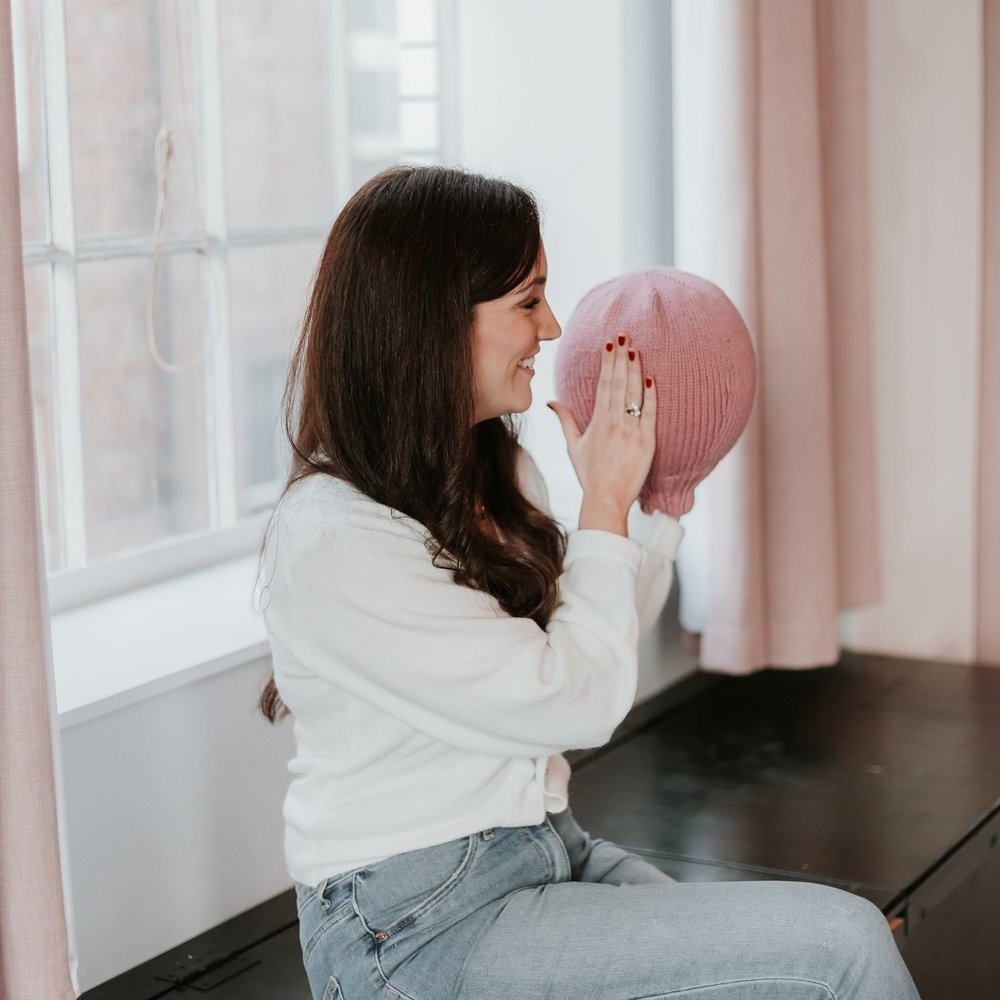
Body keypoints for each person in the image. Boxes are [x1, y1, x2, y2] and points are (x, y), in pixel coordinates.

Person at [255, 165, 921, 1000]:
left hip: (541, 848)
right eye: (528, 301)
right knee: (845, 946)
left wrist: (653, 504)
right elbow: (577, 702)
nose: (554, 327)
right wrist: (604, 500)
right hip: (417, 926)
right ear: (432, 322)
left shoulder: (495, 472)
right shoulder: (332, 542)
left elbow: (584, 649)